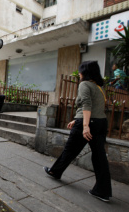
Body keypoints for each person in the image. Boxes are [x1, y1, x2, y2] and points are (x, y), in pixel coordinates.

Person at [44, 61, 112, 202]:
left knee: (70, 150)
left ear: (85, 72)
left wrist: (85, 125)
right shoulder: (99, 87)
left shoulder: (84, 84)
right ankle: (103, 191)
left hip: (88, 123)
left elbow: (86, 104)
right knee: (99, 156)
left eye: (80, 71)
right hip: (100, 123)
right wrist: (77, 120)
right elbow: (96, 108)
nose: (79, 73)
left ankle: (55, 171)